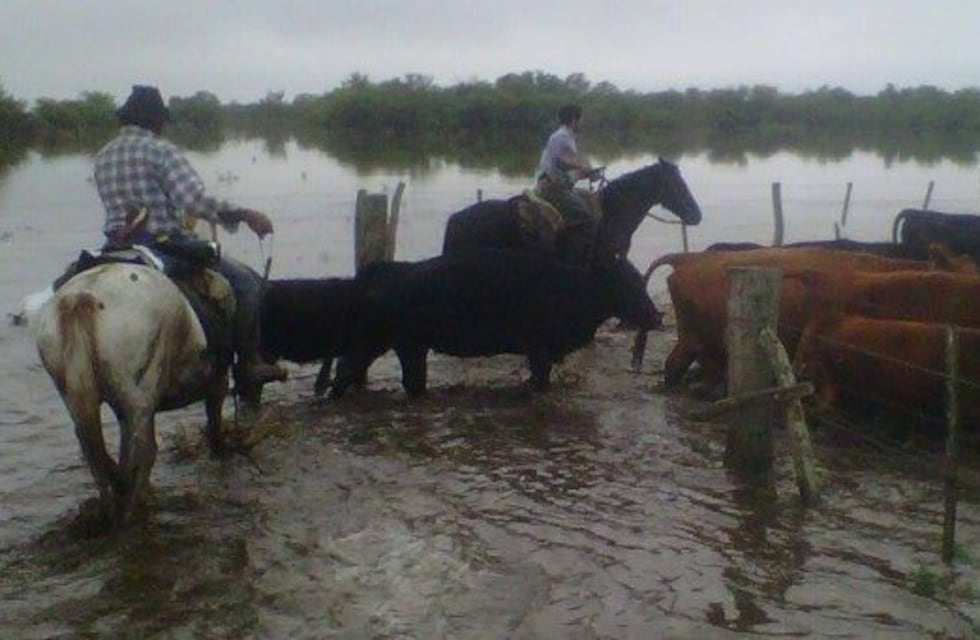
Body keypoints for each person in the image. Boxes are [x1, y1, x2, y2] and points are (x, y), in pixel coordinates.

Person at [93, 84, 286, 401]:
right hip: (164, 244)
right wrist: (245, 214)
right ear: (156, 121)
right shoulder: (161, 150)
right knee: (246, 284)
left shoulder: (103, 156)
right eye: (162, 122)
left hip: (117, 248)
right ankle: (249, 362)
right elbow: (194, 201)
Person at [535, 104, 601, 225]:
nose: (582, 122)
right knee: (586, 218)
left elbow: (565, 168)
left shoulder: (567, 137)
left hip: (562, 186)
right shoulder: (562, 137)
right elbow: (560, 163)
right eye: (581, 119)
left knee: (592, 198)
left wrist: (588, 173)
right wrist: (582, 167)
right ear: (573, 120)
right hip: (554, 189)